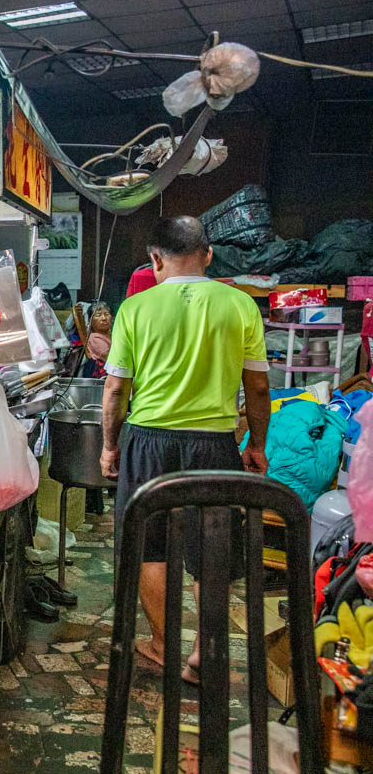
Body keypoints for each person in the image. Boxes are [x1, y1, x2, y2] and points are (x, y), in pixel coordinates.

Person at [99, 216, 270, 685]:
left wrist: (110, 448)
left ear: (155, 259)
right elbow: (256, 388)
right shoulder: (240, 306)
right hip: (214, 444)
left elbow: (115, 391)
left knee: (150, 548)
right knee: (210, 549)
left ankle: (161, 644)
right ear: (209, 254)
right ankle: (203, 654)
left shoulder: (135, 309)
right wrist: (256, 444)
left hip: (147, 442)